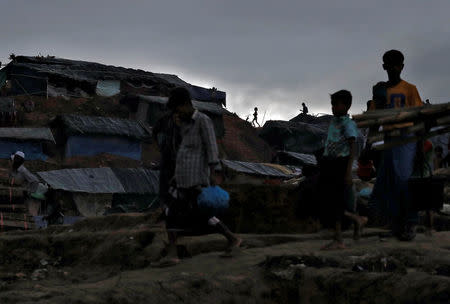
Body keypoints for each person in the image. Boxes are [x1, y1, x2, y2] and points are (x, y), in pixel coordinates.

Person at [155, 87, 241, 267]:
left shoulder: (203, 121)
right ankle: (174, 252)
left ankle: (231, 239)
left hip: (196, 179)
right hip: (181, 177)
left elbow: (211, 149)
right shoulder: (183, 124)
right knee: (173, 211)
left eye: (177, 109)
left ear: (185, 104)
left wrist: (213, 174)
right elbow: (182, 151)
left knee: (197, 213)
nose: (176, 113)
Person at [367, 50, 424, 241]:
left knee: (403, 179)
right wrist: (370, 142)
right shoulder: (380, 90)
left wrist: (420, 146)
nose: (392, 68)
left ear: (402, 66)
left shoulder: (410, 89)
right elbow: (375, 118)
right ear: (384, 67)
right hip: (390, 138)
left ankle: (410, 222)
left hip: (406, 137)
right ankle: (395, 224)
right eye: (389, 65)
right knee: (388, 180)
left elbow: (419, 116)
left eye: (396, 64)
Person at [319, 90, 367, 250]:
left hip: (341, 164)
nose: (332, 107)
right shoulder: (334, 121)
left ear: (346, 106)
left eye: (336, 104)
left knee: (336, 202)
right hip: (330, 163)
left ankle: (338, 239)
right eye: (332, 104)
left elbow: (352, 147)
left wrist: (348, 172)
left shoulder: (348, 124)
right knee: (330, 201)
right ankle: (355, 220)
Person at [10, 151, 48, 216]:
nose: (13, 162)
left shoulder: (22, 170)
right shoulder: (19, 169)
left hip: (37, 189)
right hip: (36, 189)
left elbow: (33, 181)